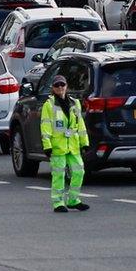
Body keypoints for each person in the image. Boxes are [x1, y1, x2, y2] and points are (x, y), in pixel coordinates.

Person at [40, 75, 90, 213]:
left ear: (66, 86)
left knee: (79, 171)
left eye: (62, 85)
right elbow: (45, 126)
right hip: (58, 146)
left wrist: (84, 143)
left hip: (73, 146)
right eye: (57, 85)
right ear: (53, 88)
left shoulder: (75, 103)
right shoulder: (49, 105)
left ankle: (73, 200)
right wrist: (47, 145)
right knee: (59, 175)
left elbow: (80, 124)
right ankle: (58, 202)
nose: (60, 88)